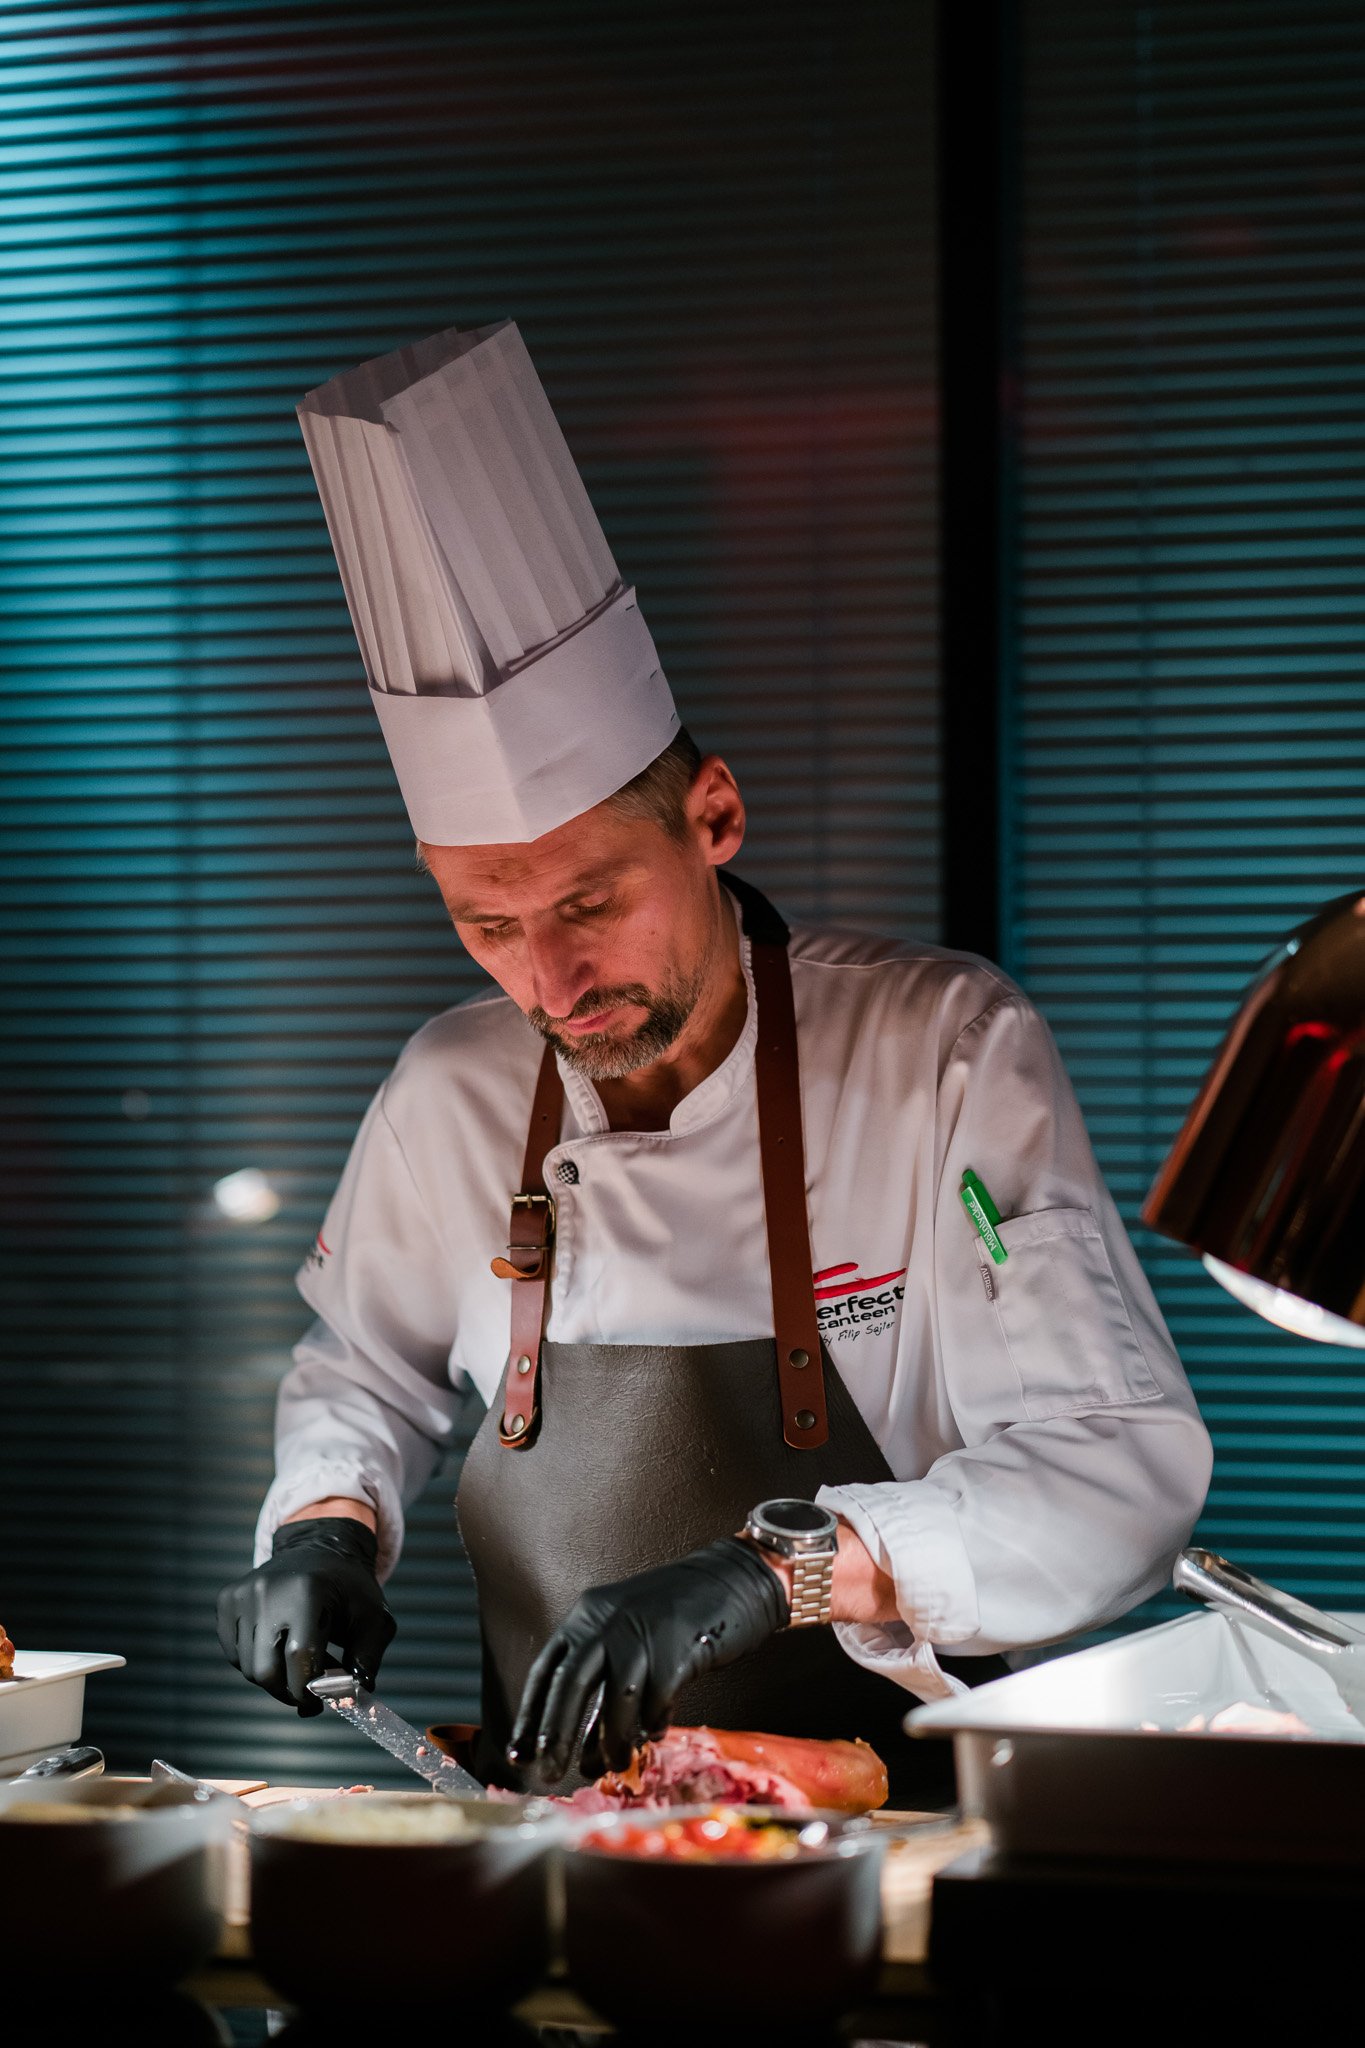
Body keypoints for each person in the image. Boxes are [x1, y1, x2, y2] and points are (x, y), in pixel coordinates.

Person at [217, 321, 1212, 1800]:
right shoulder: (450, 1091)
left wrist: (781, 1574)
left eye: (588, 904)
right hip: (549, 1831)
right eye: (486, 923)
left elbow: (1107, 1471)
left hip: (888, 1837)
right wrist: (321, 1525)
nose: (547, 979)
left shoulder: (939, 1051)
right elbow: (363, 1370)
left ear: (715, 817)